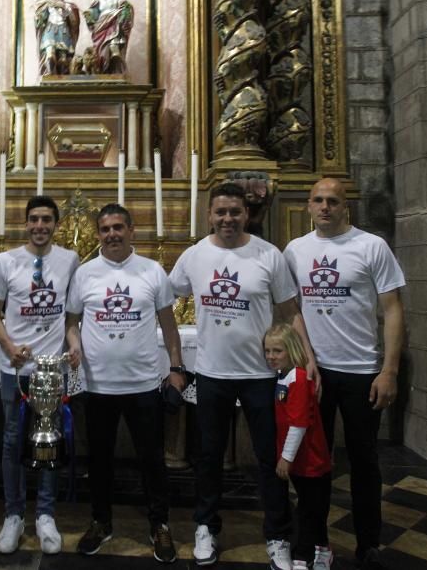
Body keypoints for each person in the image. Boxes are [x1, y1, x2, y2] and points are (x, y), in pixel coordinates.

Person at [168, 183, 316, 570]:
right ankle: (206, 526)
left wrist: (307, 356)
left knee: (270, 460)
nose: (227, 219)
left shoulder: (268, 255)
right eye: (220, 212)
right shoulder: (195, 255)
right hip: (213, 372)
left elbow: (288, 309)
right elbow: (163, 296)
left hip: (261, 374)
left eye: (234, 212)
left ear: (246, 214)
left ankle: (278, 535)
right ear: (210, 215)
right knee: (208, 456)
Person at [283, 178, 406, 570]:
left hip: (361, 371)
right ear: (308, 205)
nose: (324, 207)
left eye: (332, 201)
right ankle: (313, 540)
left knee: (364, 461)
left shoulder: (371, 246)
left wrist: (389, 370)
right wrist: (303, 360)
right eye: (317, 200)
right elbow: (290, 309)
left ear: (344, 206)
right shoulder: (295, 251)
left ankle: (368, 542)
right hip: (315, 372)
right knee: (312, 462)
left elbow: (393, 310)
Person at [65, 203, 186, 564]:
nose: (112, 234)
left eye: (118, 227)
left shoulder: (151, 271)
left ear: (131, 231)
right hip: (98, 385)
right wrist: (74, 345)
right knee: (99, 460)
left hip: (144, 383)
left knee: (152, 459)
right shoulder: (85, 274)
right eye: (105, 229)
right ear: (99, 234)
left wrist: (177, 366)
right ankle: (101, 521)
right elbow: (72, 321)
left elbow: (169, 326)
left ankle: (159, 523)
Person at [0, 196, 80, 554]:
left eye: (46, 220)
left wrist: (75, 343)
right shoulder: (5, 261)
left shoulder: (69, 259)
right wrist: (9, 346)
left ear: (56, 224)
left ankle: (44, 514)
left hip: (51, 369)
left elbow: (70, 316)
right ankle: (13, 514)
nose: (39, 226)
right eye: (34, 220)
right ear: (25, 223)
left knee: (48, 441)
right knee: (12, 440)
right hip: (16, 367)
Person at [265, 323, 333, 570]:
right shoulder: (283, 376)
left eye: (277, 351)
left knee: (310, 507)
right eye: (268, 351)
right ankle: (318, 547)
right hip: (297, 458)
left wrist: (285, 457)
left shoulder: (300, 378)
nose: (271, 357)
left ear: (291, 350)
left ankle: (308, 553)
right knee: (308, 504)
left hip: (310, 458)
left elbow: (299, 424)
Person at [83, 0, 134, 74]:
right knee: (101, 50)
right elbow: (94, 12)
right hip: (101, 24)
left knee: (114, 46)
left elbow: (125, 7)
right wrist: (89, 15)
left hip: (114, 22)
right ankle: (103, 70)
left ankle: (117, 71)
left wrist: (125, 8)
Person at [34, 0, 80, 76]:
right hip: (50, 29)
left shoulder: (68, 0)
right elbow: (40, 16)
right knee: (50, 53)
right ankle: (49, 75)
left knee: (63, 58)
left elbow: (74, 18)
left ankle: (61, 78)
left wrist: (63, 6)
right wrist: (40, 14)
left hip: (63, 30)